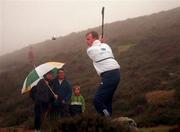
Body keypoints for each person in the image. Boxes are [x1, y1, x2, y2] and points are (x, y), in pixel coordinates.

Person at [85, 31, 120, 119]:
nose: (86, 41)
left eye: (88, 39)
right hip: (116, 73)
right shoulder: (106, 46)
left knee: (97, 100)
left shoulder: (90, 50)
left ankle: (107, 119)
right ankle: (110, 122)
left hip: (109, 75)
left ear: (94, 39)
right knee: (107, 100)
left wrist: (100, 42)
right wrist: (101, 42)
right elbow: (100, 47)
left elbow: (94, 48)